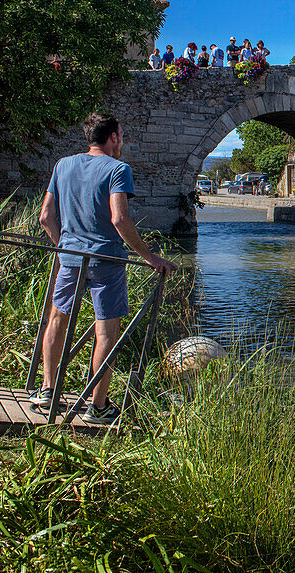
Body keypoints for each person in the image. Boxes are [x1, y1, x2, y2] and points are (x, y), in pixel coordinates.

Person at [31, 113, 177, 424]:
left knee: (57, 319)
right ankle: (97, 407)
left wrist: (64, 247)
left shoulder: (63, 165)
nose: (122, 142)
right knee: (105, 331)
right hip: (106, 260)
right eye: (121, 136)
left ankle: (47, 390)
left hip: (70, 258)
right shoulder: (118, 169)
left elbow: (45, 216)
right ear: (112, 138)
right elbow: (120, 219)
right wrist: (151, 257)